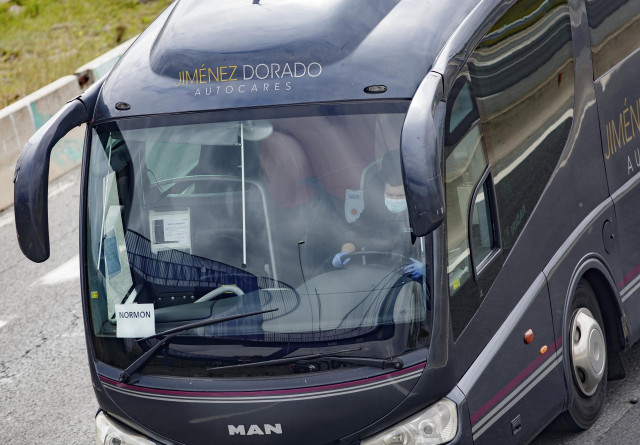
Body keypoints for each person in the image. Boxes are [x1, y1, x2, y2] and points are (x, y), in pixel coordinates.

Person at [331, 150, 426, 280]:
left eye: (399, 196)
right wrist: (345, 252)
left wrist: (427, 268)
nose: (394, 199)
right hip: (379, 281)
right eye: (389, 195)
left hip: (413, 284)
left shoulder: (423, 214)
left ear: (408, 195)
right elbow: (353, 235)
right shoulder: (374, 213)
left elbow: (444, 248)